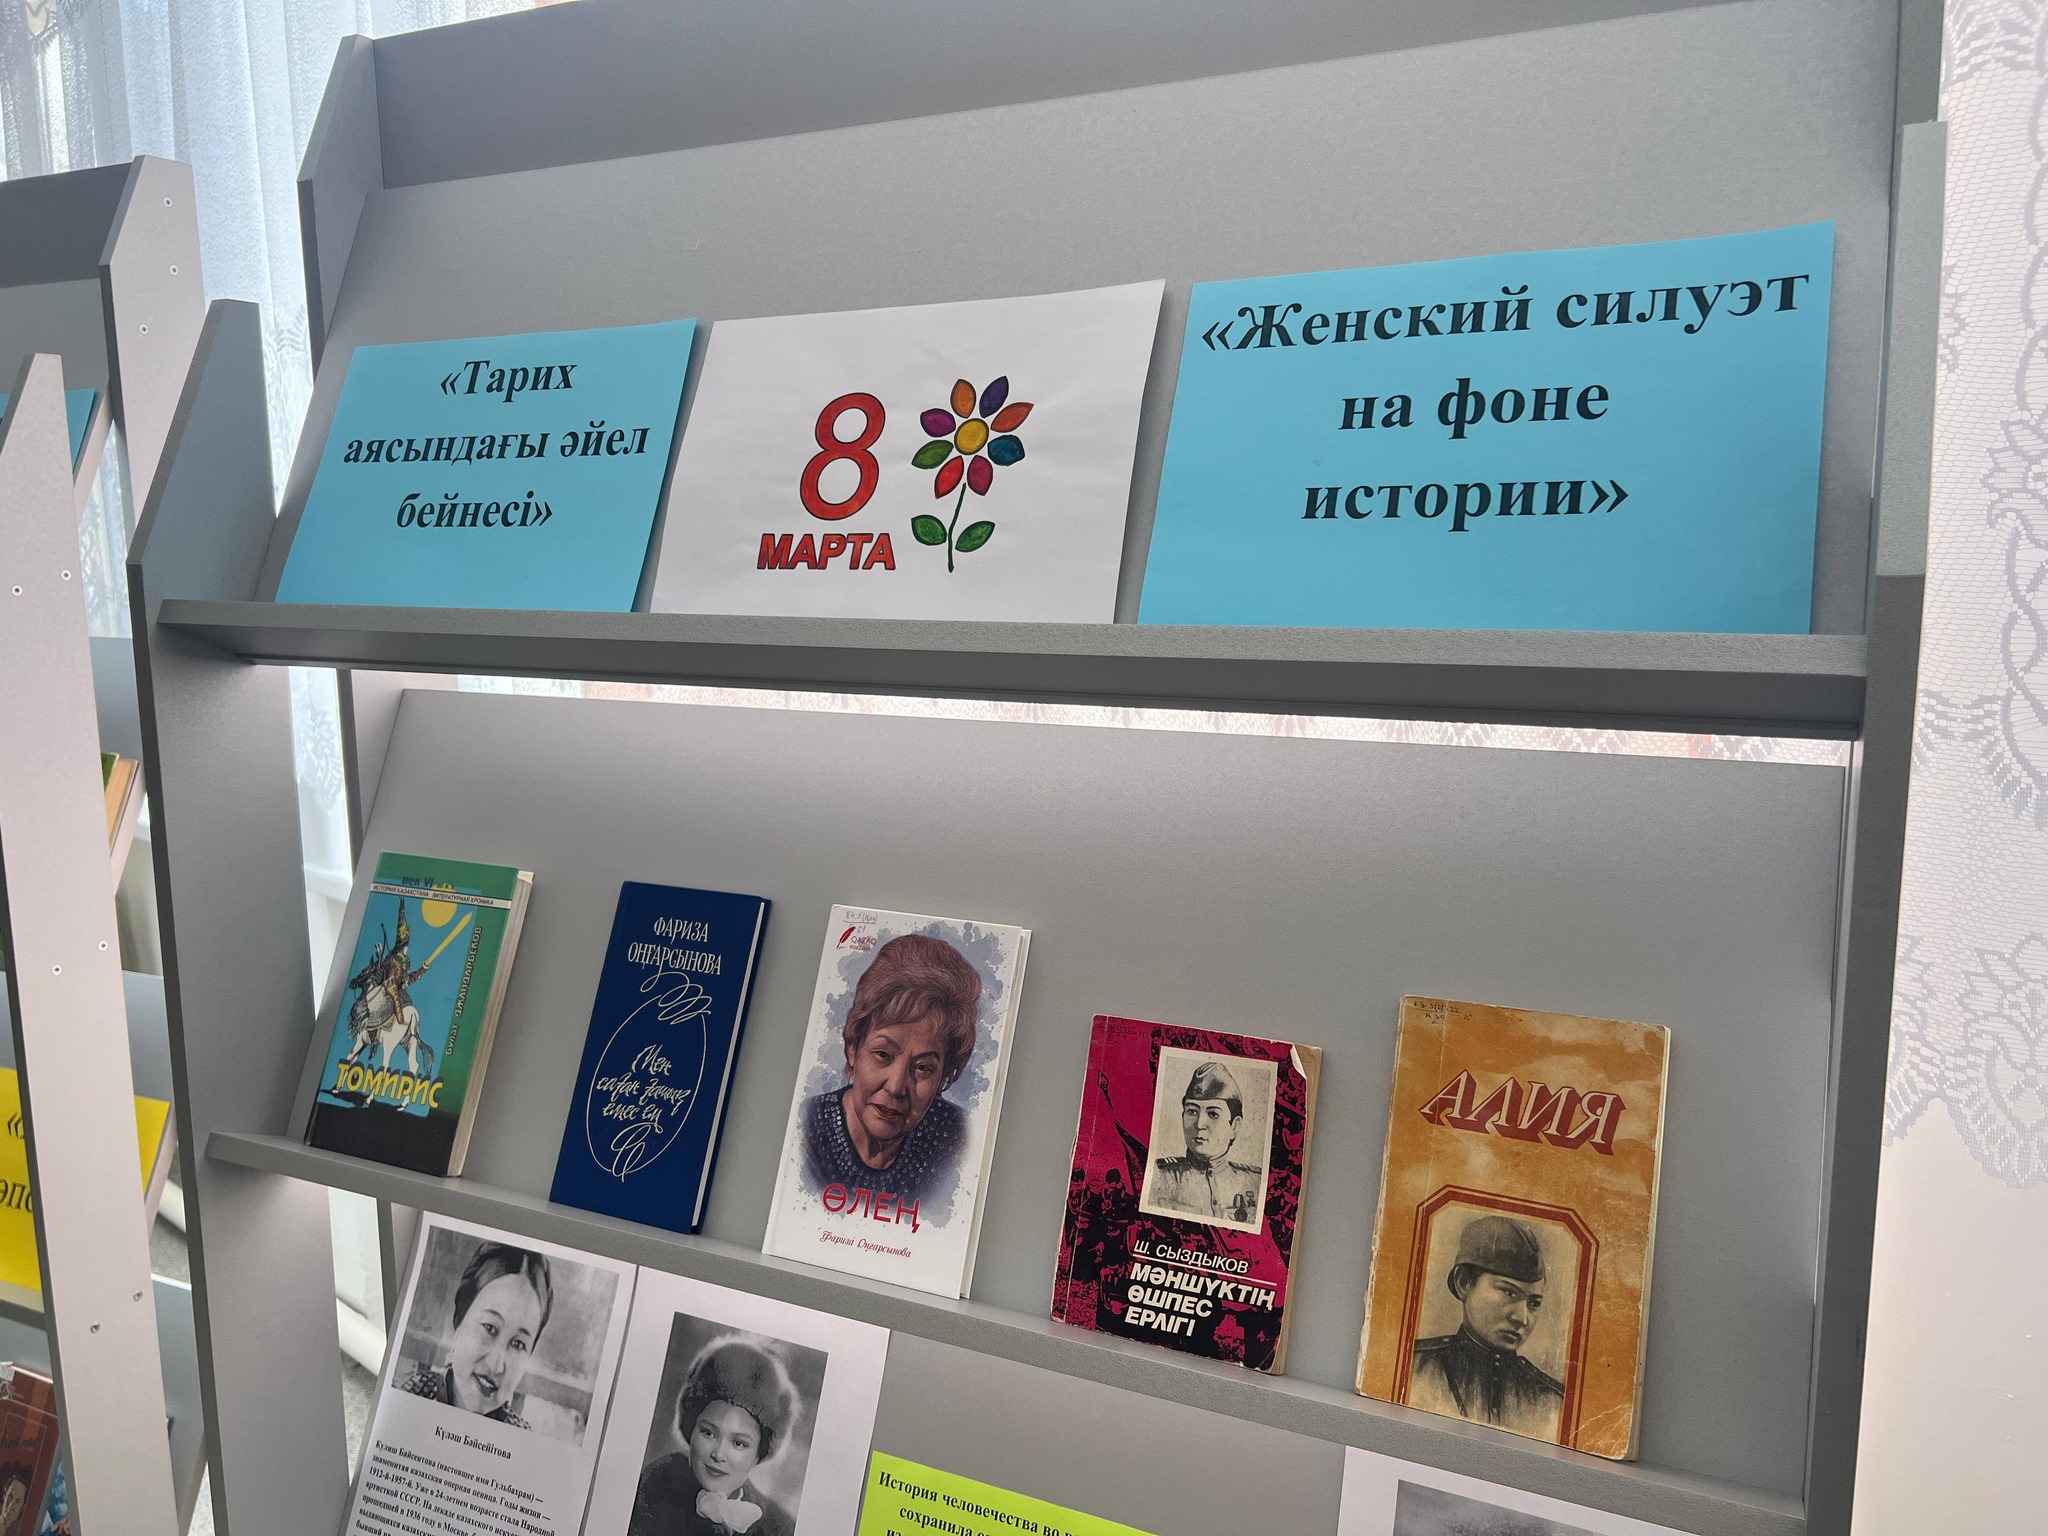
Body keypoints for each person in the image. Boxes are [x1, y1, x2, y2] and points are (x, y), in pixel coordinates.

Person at [799, 934, 981, 1205]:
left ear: (943, 1075)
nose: (896, 1086)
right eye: (883, 1054)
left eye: (923, 1068)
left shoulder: (960, 1138)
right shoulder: (804, 1129)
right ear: (853, 1049)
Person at [1407, 1215, 1565, 1440]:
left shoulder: (1551, 1401)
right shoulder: (1411, 1367)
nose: (1522, 1318)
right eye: (1508, 1292)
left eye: (1534, 1303)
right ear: (1463, 1283)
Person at [630, 1338, 799, 1536]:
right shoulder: (653, 1485)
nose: (718, 1454)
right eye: (709, 1433)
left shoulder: (779, 1529)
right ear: (692, 1429)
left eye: (739, 1443)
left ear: (758, 1454)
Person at [398, 1242, 553, 1430]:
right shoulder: (407, 1398)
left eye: (518, 1344)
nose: (496, 1365)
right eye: (490, 1328)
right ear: (459, 1322)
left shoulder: (522, 1439)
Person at [1145, 1061, 1264, 1226]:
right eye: (1192, 1111)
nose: (1200, 1124)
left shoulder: (1256, 1182)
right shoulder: (1158, 1176)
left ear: (1234, 1126)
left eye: (1213, 1114)